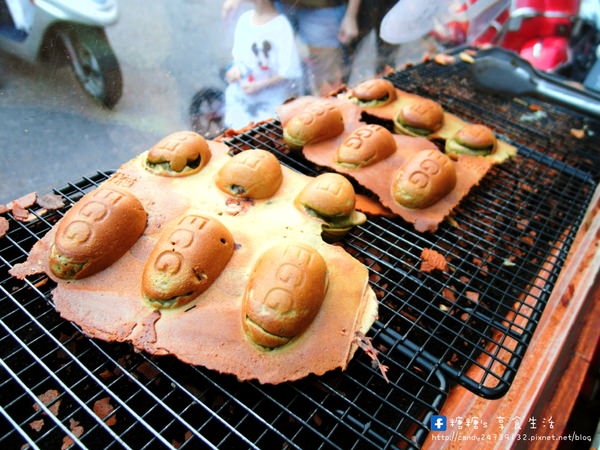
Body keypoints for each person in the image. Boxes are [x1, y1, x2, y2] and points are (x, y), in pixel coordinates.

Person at [223, 0, 360, 96]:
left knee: (326, 77)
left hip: (322, 7)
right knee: (267, 62)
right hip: (277, 4)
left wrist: (351, 15)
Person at [223, 0, 303, 129]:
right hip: (241, 100)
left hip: (270, 104)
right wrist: (234, 70)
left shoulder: (281, 26)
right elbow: (237, 58)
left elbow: (289, 71)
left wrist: (259, 85)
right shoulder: (244, 20)